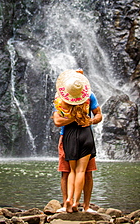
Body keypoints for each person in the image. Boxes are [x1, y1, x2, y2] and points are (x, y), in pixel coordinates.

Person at [52, 69, 102, 213]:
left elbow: (98, 114)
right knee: (66, 172)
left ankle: (84, 206)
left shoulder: (87, 96)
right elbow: (57, 120)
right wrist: (77, 119)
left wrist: (92, 120)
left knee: (86, 172)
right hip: (75, 137)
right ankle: (68, 203)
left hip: (72, 136)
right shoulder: (61, 97)